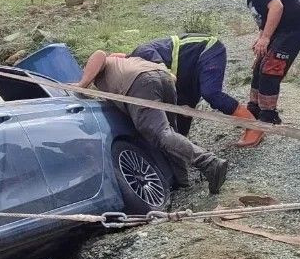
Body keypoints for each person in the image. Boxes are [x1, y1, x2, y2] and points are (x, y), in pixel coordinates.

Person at [75, 51, 230, 194]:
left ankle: (210, 163)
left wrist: (81, 84)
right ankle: (183, 183)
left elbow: (99, 54)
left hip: (139, 83)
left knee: (160, 133)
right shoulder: (124, 63)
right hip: (163, 78)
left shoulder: (104, 63)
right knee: (170, 133)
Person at [129, 35, 264, 147]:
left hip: (207, 49)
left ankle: (253, 125)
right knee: (182, 113)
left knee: (211, 93)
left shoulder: (140, 53)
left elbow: (167, 76)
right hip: (187, 73)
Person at [219, 0, 300, 127]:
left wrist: (266, 38)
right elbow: (264, 16)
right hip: (279, 29)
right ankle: (254, 110)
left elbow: (277, 7)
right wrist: (261, 38)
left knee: (271, 68)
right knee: (259, 66)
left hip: (293, 29)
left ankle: (269, 115)